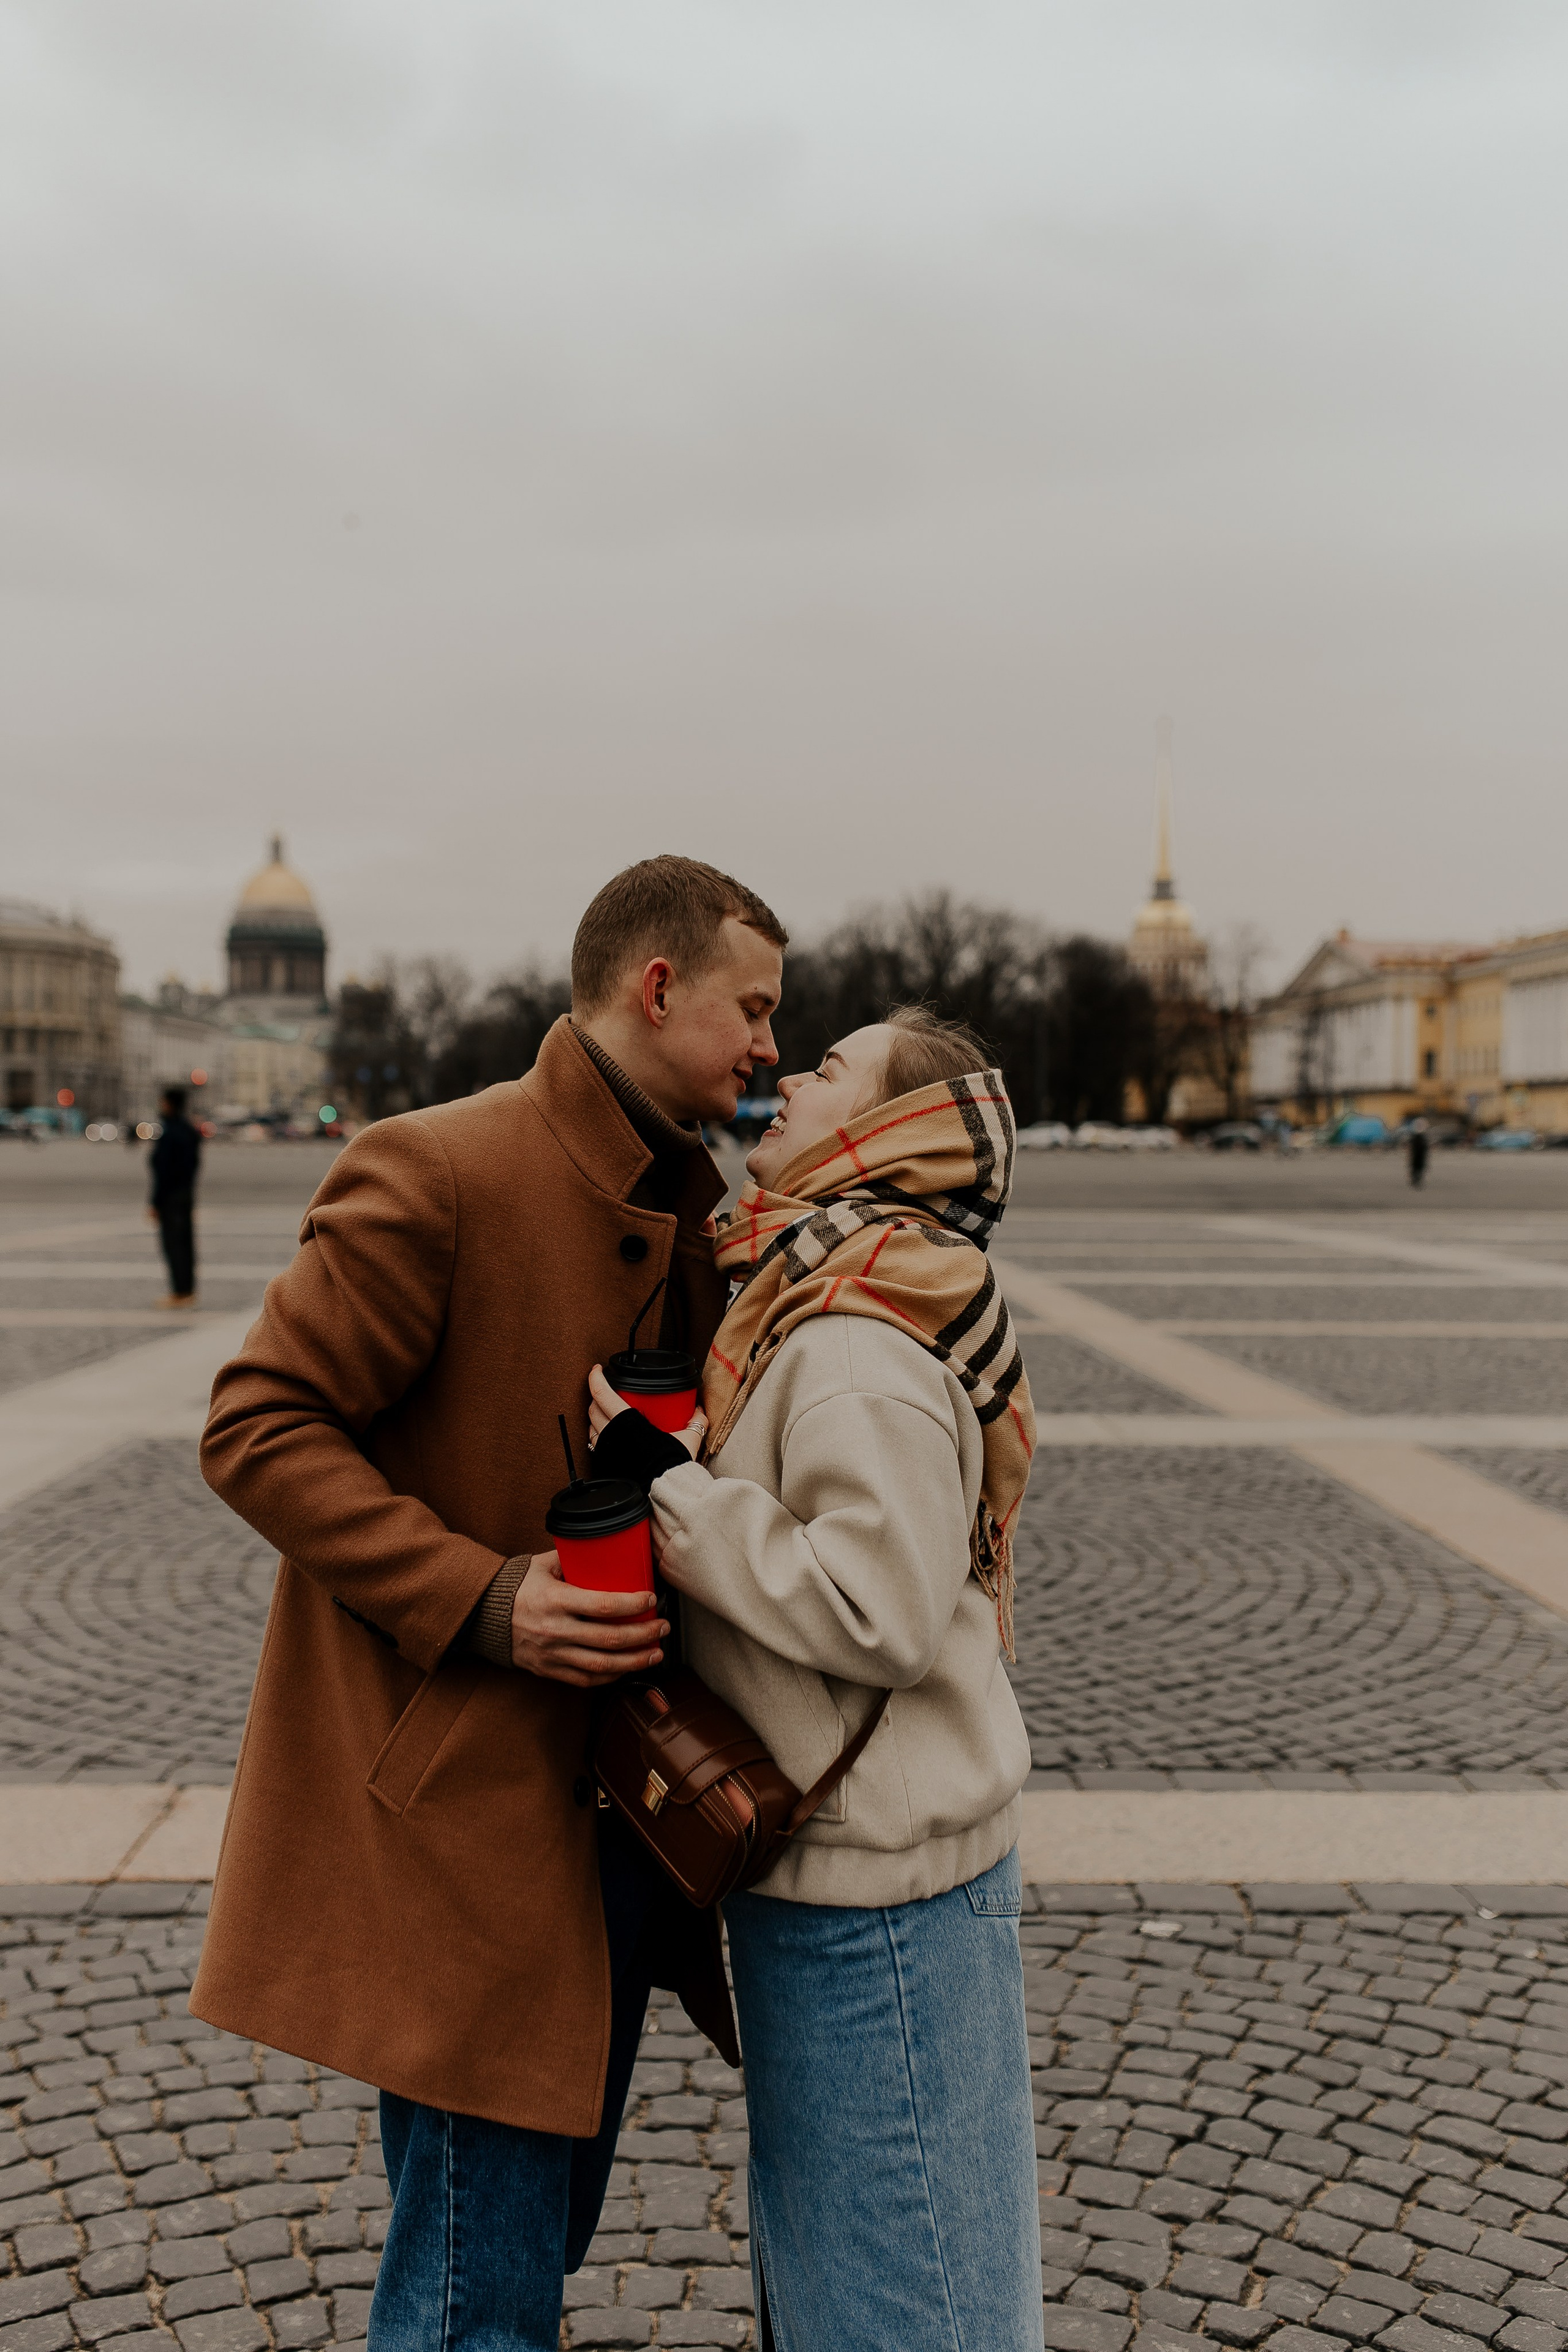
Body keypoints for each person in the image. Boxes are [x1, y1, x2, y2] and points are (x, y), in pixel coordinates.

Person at [189, 856, 787, 2352]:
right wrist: (483, 1597)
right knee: (475, 2300)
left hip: (614, 1829)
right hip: (474, 1829)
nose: (772, 1045)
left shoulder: (688, 1204)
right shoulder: (441, 1165)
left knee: (513, 2256)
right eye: (755, 1007)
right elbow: (255, 1423)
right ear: (659, 988)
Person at [589, 1006, 1043, 2351]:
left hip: (875, 1892)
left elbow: (880, 1608)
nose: (789, 1073)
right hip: (858, 1869)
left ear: (879, 1132)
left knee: (903, 2293)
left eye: (829, 1067)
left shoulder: (851, 1336)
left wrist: (671, 1494)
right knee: (867, 2258)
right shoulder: (819, 1285)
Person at [148, 1085, 202, 1305]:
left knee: (174, 1244)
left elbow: (163, 1171)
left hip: (171, 1196)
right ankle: (187, 1289)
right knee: (186, 1243)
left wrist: (155, 1202)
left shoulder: (171, 1132)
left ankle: (180, 1292)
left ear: (169, 1104)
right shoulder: (189, 1130)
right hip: (186, 1193)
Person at [1408, 1116, 1430, 1188]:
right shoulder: (1416, 1137)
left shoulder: (1422, 1137)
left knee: (1419, 1167)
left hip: (1420, 1155)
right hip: (1417, 1155)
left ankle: (1417, 1179)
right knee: (1416, 1167)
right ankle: (1415, 1180)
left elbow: (1425, 1148)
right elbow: (1412, 1147)